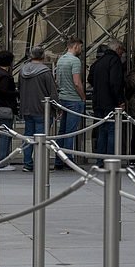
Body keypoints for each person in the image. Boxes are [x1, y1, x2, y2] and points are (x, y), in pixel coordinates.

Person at [18, 46, 58, 172]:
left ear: (30, 57)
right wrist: (58, 108)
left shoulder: (22, 71)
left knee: (28, 135)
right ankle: (42, 164)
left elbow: (19, 89)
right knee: (42, 137)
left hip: (27, 108)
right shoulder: (46, 72)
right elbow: (53, 92)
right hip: (42, 110)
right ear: (44, 57)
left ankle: (27, 164)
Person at [88, 38, 125, 161]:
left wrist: (99, 87)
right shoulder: (115, 61)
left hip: (98, 101)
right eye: (122, 51)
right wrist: (120, 101)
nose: (122, 53)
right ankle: (110, 159)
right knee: (112, 131)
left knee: (102, 131)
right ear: (118, 49)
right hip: (111, 102)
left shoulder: (98, 62)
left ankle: (100, 159)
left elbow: (90, 78)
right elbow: (115, 83)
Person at [55, 36, 86, 170]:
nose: (81, 49)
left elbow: (57, 81)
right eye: (80, 47)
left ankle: (58, 160)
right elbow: (77, 82)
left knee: (62, 131)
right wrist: (83, 97)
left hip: (63, 98)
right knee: (70, 132)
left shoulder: (61, 60)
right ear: (75, 46)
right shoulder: (75, 61)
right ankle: (69, 161)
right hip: (74, 99)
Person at [0, 50, 18, 170]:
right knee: (4, 135)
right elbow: (4, 91)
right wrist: (16, 93)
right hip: (6, 107)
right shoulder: (4, 76)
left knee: (2, 135)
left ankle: (2, 160)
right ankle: (2, 162)